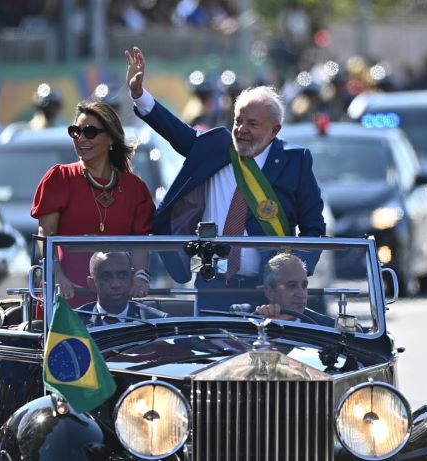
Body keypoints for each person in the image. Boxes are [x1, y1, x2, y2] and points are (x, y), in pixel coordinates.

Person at [124, 46, 326, 309]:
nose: (241, 130)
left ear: (274, 130)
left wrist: (294, 274)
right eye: (238, 121)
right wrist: (139, 95)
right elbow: (176, 132)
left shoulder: (295, 160)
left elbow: (314, 230)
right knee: (209, 349)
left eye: (252, 124)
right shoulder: (217, 147)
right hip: (213, 285)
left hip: (269, 289)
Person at [31, 99, 155, 307]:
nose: (80, 139)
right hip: (68, 297)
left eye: (90, 132)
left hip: (117, 301)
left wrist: (141, 276)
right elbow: (45, 237)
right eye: (75, 132)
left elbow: (140, 241)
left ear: (110, 138)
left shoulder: (134, 187)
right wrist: (56, 275)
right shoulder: (59, 178)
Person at [76, 251, 167, 325]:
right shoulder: (74, 323)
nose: (116, 284)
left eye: (122, 275)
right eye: (106, 277)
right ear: (92, 283)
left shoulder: (157, 321)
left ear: (132, 280)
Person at [254, 253, 334, 326]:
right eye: (292, 286)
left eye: (304, 286)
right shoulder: (251, 323)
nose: (301, 294)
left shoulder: (327, 326)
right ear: (270, 292)